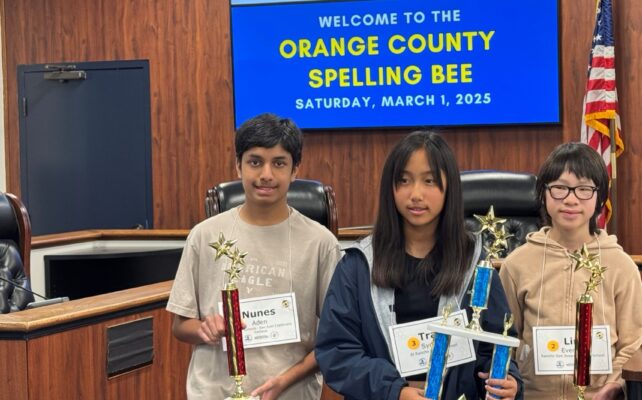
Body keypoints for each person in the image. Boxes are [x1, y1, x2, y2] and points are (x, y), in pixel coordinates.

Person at [315, 131, 523, 400]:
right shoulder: (358, 264)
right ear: (390, 188)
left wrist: (509, 382)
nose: (415, 194)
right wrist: (396, 391)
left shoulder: (476, 264)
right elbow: (337, 352)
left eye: (429, 181)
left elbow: (493, 346)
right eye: (404, 180)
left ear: (450, 188)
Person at [167, 113, 341, 400]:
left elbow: (335, 340)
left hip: (290, 393)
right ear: (238, 166)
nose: (266, 175)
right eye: (255, 162)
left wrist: (284, 381)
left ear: (295, 170)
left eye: (279, 163)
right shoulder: (204, 235)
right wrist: (205, 329)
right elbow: (180, 327)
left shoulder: (320, 243)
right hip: (214, 392)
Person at [499, 142, 642, 400]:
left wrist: (613, 387)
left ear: (599, 197)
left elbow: (633, 344)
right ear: (543, 194)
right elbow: (506, 339)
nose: (570, 199)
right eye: (559, 188)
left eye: (583, 189)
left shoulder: (621, 266)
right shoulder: (516, 265)